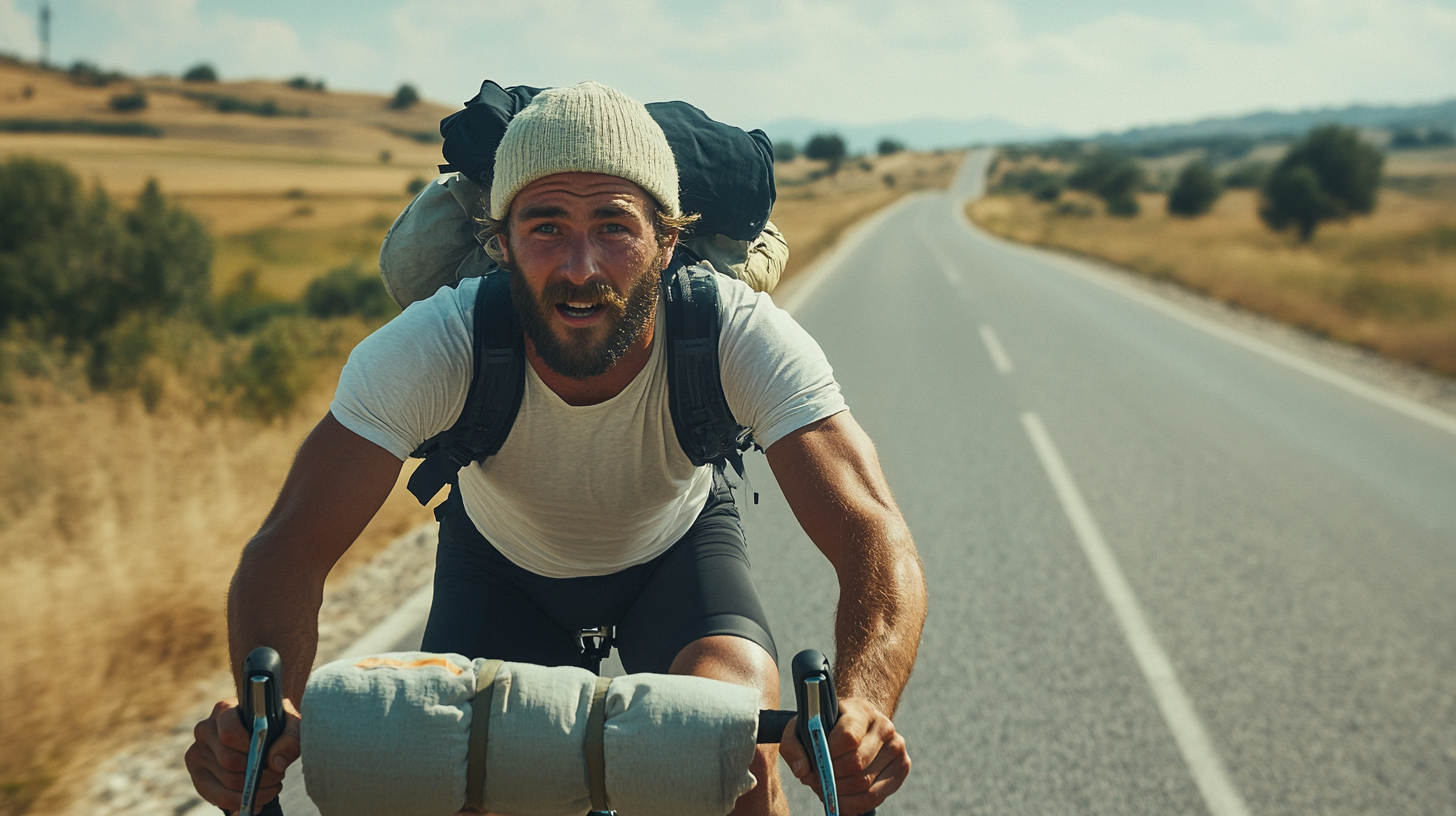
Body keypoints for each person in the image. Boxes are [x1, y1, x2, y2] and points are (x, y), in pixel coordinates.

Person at [185, 81, 927, 816]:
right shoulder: (438, 346)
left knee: (736, 759)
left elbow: (873, 531)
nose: (581, 268)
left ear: (668, 241)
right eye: (546, 227)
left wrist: (862, 706)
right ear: (499, 244)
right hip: (500, 574)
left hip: (676, 560)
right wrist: (267, 715)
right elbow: (289, 547)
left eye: (614, 226)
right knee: (460, 792)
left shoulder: (732, 333)